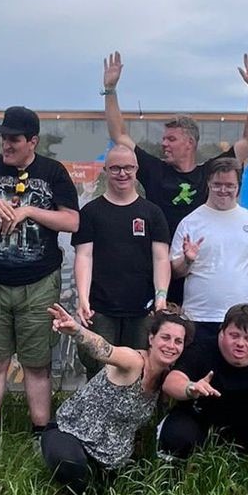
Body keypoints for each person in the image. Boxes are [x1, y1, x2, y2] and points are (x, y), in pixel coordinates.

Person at [0, 105, 80, 462]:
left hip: (38, 282)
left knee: (37, 364)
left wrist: (28, 211)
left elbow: (71, 221)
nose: (6, 144)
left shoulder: (53, 172)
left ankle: (40, 435)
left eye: (14, 139)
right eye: (3, 138)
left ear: (33, 141)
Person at [102, 50, 248, 295]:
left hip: (199, 273)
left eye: (171, 139)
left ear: (190, 143)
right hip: (159, 269)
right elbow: (119, 135)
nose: (164, 144)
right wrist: (110, 90)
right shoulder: (154, 169)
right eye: (163, 139)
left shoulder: (211, 172)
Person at [38, 304, 193, 495]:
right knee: (72, 466)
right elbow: (104, 349)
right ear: (151, 338)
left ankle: (97, 481)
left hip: (111, 457)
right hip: (70, 433)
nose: (171, 346)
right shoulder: (134, 361)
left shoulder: (166, 378)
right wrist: (77, 330)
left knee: (131, 489)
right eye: (166, 337)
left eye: (178, 341)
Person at [168, 157, 248, 357]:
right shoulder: (190, 222)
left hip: (242, 317)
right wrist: (188, 259)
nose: (223, 190)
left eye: (229, 185)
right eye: (217, 184)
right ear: (208, 183)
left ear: (238, 186)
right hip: (199, 315)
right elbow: (175, 271)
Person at [157, 303, 248, 465]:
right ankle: (177, 480)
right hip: (198, 418)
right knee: (175, 437)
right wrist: (190, 387)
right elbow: (171, 382)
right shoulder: (201, 350)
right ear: (222, 333)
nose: (240, 343)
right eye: (234, 335)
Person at [71, 144, 172, 373]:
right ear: (106, 170)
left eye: (128, 168)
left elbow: (161, 259)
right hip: (100, 309)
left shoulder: (152, 213)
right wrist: (83, 299)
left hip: (143, 310)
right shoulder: (90, 212)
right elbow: (84, 256)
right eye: (115, 168)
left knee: (142, 371)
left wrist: (161, 297)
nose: (122, 174)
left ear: (137, 169)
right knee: (99, 372)